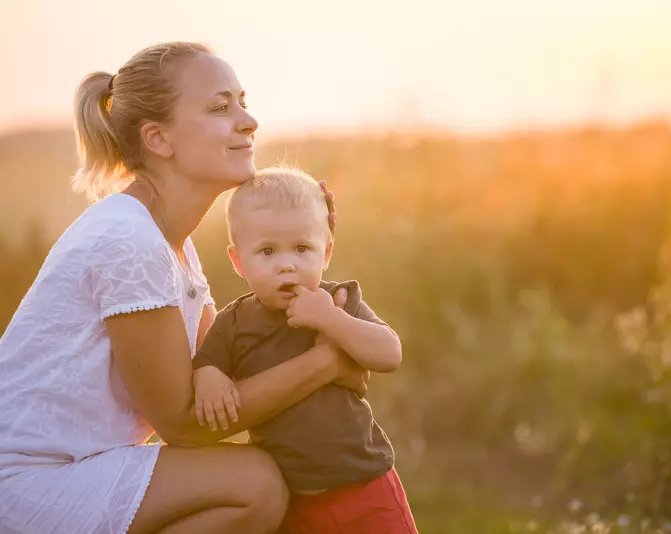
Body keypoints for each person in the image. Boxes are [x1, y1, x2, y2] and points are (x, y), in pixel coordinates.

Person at [0, 41, 368, 534]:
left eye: (242, 100)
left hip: (74, 466)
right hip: (28, 482)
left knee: (262, 474)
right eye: (221, 107)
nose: (248, 120)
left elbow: (230, 361)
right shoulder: (129, 239)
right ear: (159, 138)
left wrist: (311, 240)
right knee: (252, 484)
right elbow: (185, 423)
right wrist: (327, 362)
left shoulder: (172, 244)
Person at [191, 167, 418, 533]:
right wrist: (210, 378)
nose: (287, 264)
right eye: (267, 251)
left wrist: (332, 320)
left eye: (302, 248)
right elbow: (207, 364)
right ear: (238, 261)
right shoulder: (234, 323)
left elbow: (390, 353)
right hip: (292, 502)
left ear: (325, 252)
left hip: (364, 486)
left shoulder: (338, 300)